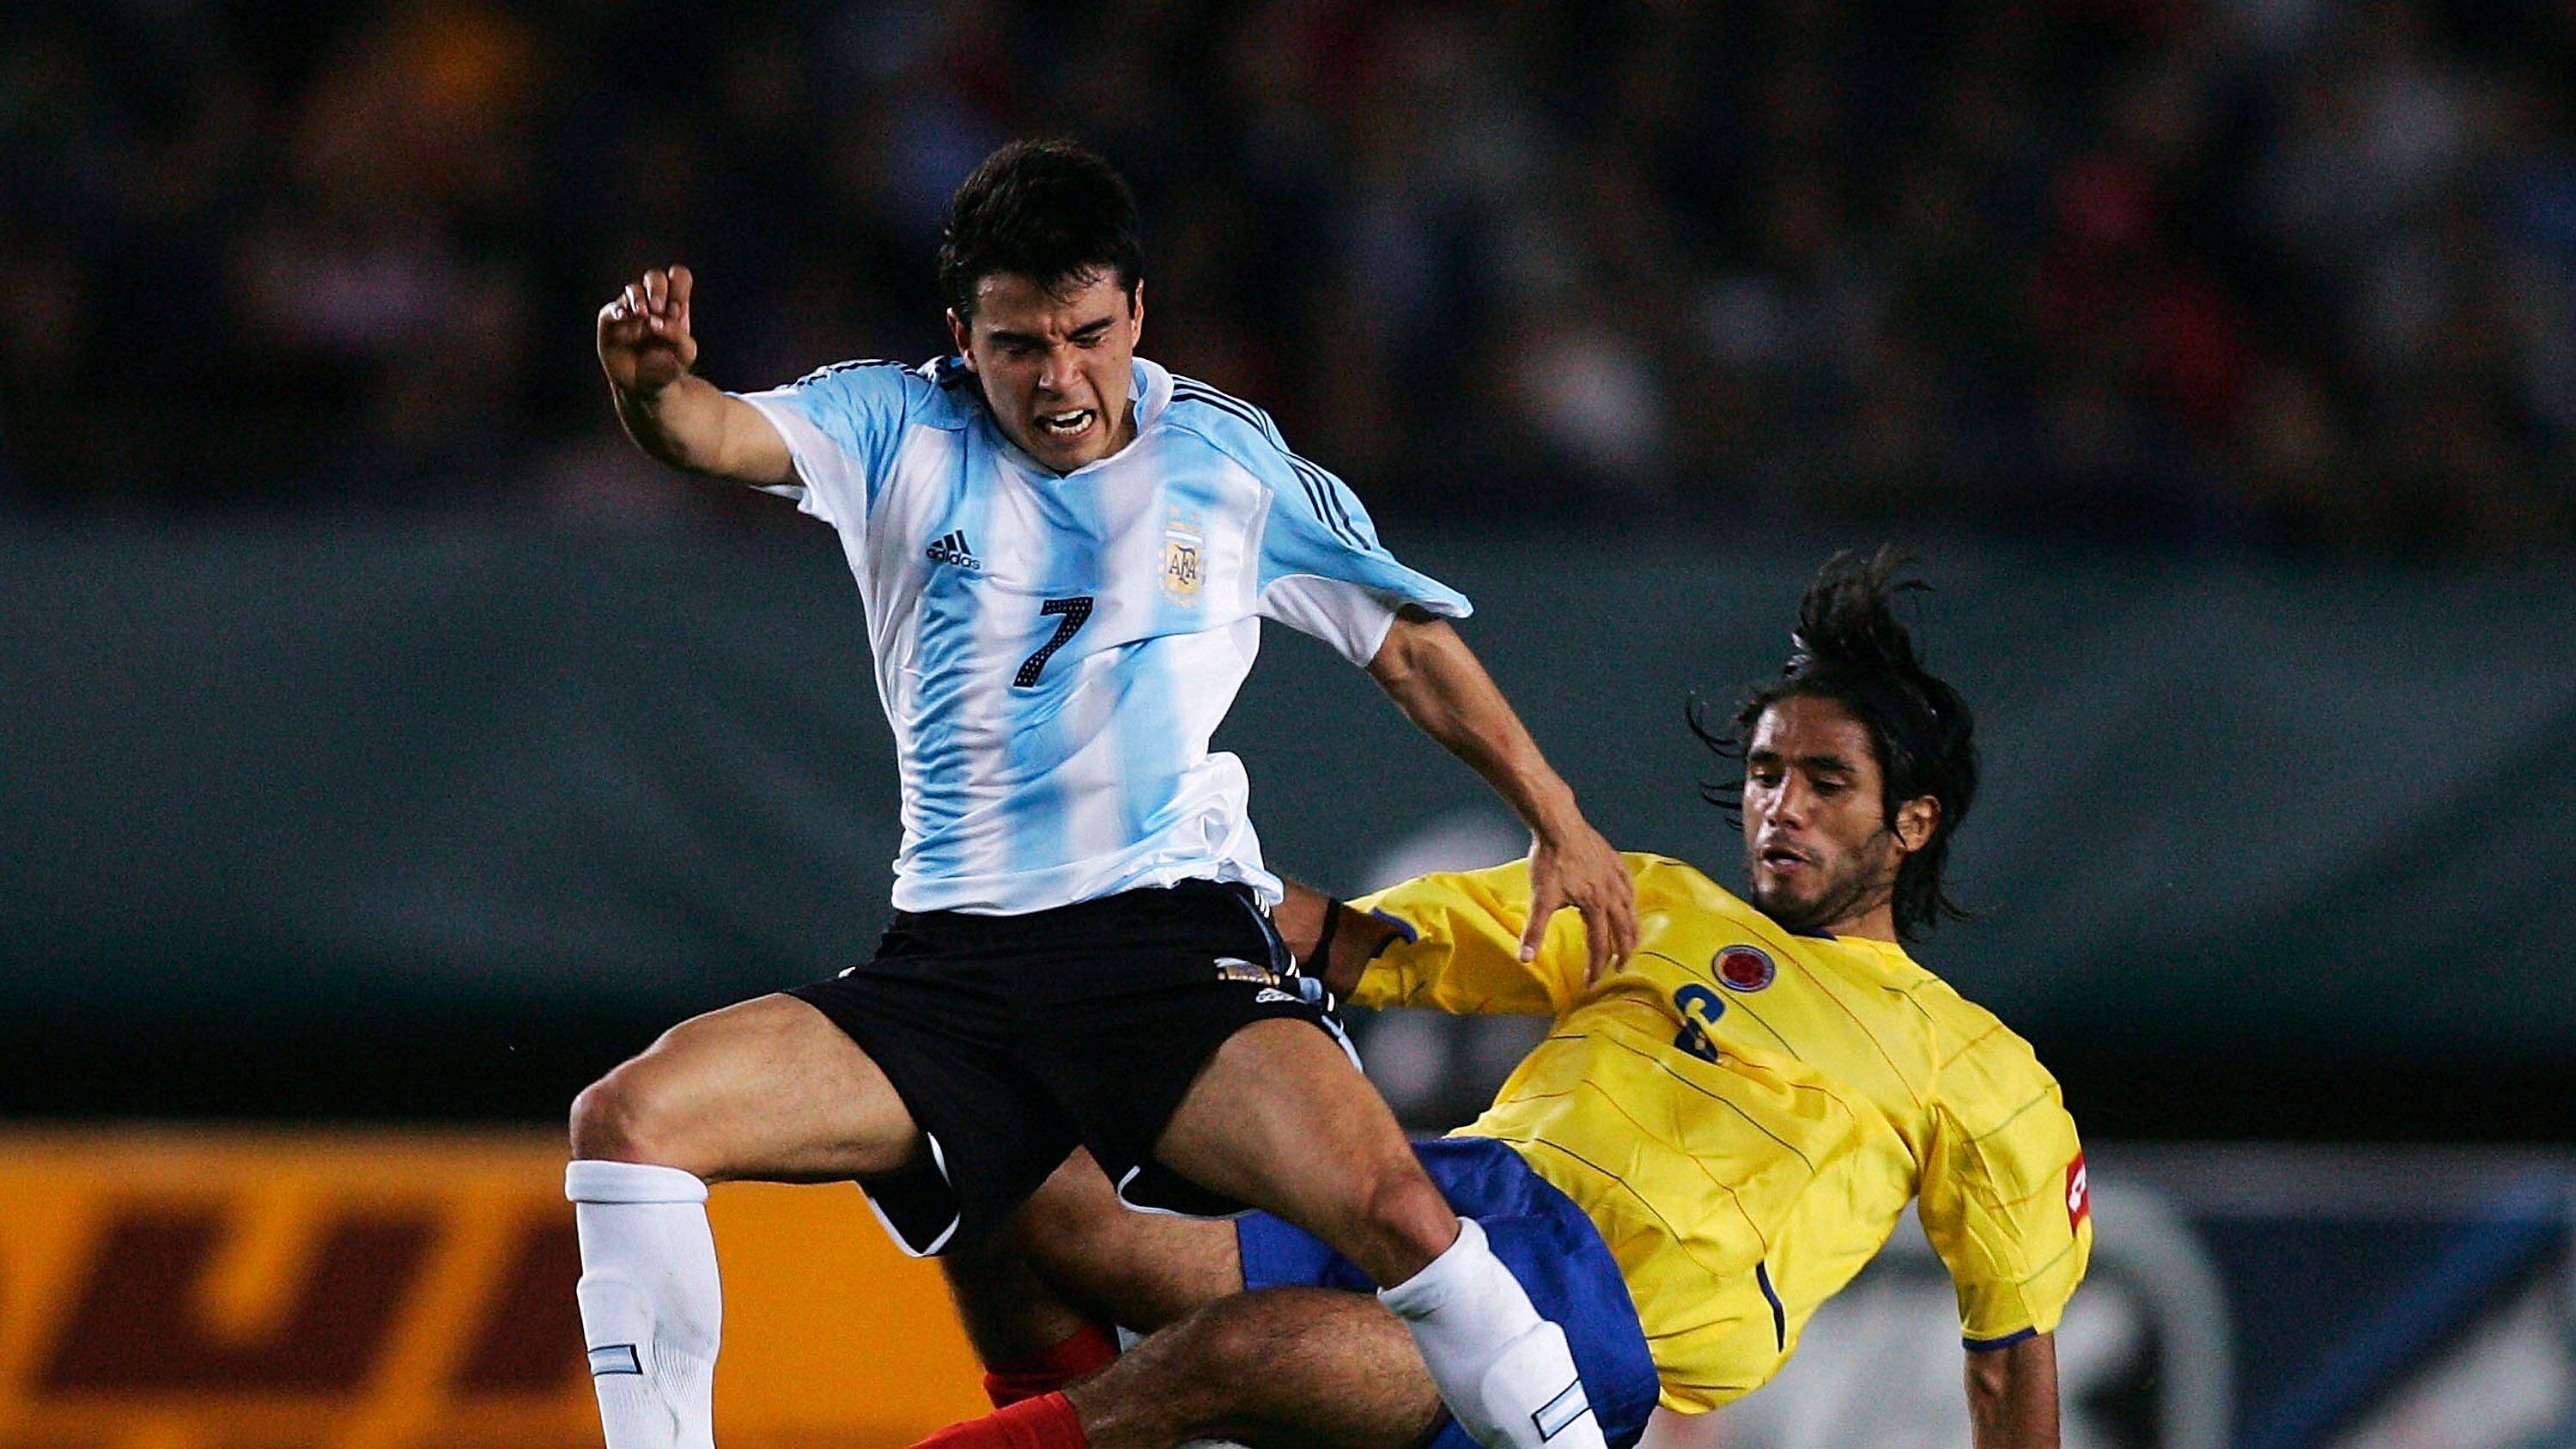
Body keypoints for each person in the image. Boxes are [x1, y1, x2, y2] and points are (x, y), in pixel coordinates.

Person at [570, 137, 1639, 1449]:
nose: (1060, 379)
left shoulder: (1228, 461)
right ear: (963, 336)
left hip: (1164, 943)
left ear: (1137, 311)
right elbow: (713, 430)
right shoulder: (891, 425)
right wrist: (650, 393)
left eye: (1086, 334)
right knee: (627, 1120)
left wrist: (1561, 819)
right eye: (1019, 345)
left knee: (1405, 1220)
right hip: (951, 969)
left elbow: (1407, 644)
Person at [912, 548, 2090, 1449]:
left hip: (1595, 1320)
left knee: (1241, 1354)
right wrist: (1140, 888)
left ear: (1915, 821)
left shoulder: (1978, 1071)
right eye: (1768, 773)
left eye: (1827, 782)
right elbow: (1366, 946)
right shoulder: (1652, 900)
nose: (1782, 806)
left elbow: (2008, 1353)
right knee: (1009, 1178)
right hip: (1440, 1199)